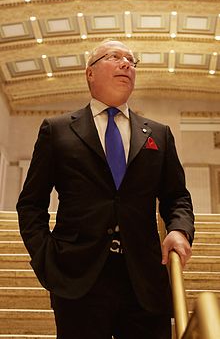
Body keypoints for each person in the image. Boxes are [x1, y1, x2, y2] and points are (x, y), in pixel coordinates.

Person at [16, 39, 194, 339]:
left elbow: (177, 197)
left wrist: (179, 229)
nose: (126, 64)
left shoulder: (159, 134)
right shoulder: (56, 130)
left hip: (144, 279)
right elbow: (31, 204)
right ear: (90, 73)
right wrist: (47, 259)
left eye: (131, 60)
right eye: (115, 57)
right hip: (78, 278)